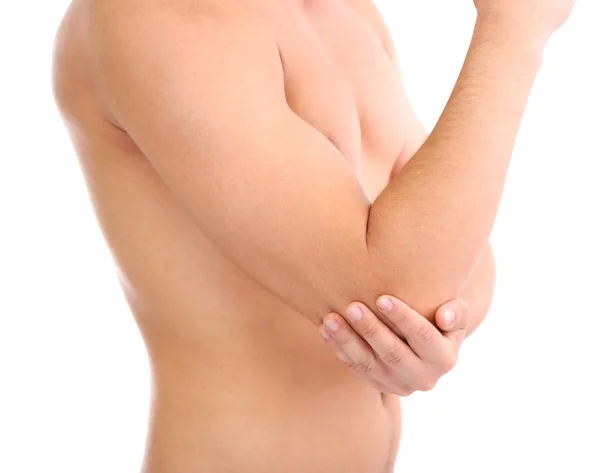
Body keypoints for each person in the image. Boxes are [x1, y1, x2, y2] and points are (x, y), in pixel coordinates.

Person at [51, 0, 575, 471]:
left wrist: (424, 311)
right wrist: (511, 33)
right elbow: (401, 287)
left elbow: (462, 272)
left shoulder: (344, 12)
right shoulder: (158, 17)